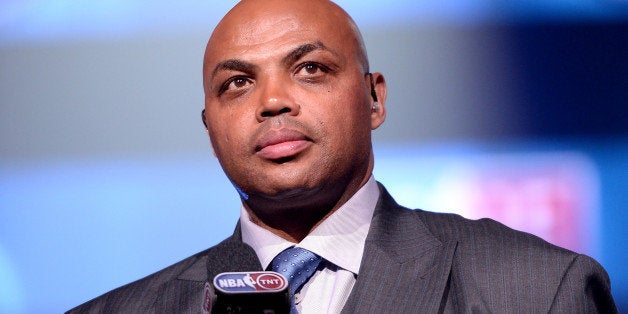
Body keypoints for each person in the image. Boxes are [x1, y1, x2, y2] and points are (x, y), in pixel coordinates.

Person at [67, 0, 617, 313]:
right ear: (209, 126)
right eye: (237, 82)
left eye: (310, 69)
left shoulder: (538, 290)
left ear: (374, 98)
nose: (273, 100)